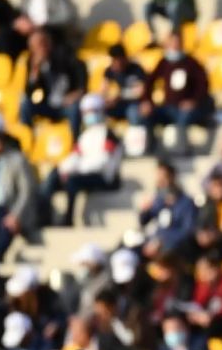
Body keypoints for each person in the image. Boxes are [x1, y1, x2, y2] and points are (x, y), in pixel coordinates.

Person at [40, 93, 123, 226]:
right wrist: (63, 169)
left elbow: (103, 162)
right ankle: (44, 216)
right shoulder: (85, 135)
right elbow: (75, 156)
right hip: (83, 173)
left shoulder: (109, 134)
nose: (88, 116)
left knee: (72, 181)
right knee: (54, 176)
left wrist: (76, 169)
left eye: (91, 112)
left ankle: (68, 219)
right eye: (85, 112)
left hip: (104, 177)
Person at [141, 33, 213, 156]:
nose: (175, 46)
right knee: (147, 115)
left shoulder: (190, 62)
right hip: (168, 107)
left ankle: (181, 149)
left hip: (185, 107)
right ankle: (150, 148)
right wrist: (146, 100)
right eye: (172, 42)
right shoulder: (164, 62)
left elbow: (203, 84)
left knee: (183, 117)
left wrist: (194, 101)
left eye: (177, 42)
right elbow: (150, 81)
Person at [19, 29, 86, 137]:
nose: (41, 48)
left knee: (75, 108)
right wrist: (34, 73)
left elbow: (80, 82)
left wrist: (74, 95)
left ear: (49, 43)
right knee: (25, 104)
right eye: (36, 46)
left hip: (65, 104)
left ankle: (74, 142)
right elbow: (29, 93)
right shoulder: (31, 62)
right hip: (47, 105)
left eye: (42, 43)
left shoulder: (64, 56)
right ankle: (27, 139)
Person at [140, 161, 198, 258]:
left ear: (173, 177)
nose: (160, 181)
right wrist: (145, 210)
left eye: (164, 177)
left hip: (175, 246)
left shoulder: (186, 202)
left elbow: (188, 232)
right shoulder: (158, 200)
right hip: (155, 242)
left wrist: (162, 240)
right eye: (158, 178)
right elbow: (143, 221)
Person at [103, 44, 146, 126]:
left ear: (123, 59)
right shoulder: (109, 71)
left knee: (133, 112)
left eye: (115, 61)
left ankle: (135, 136)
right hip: (116, 105)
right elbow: (103, 90)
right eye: (112, 61)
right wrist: (106, 100)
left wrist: (119, 96)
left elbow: (140, 92)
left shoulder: (136, 69)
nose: (114, 64)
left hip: (133, 103)